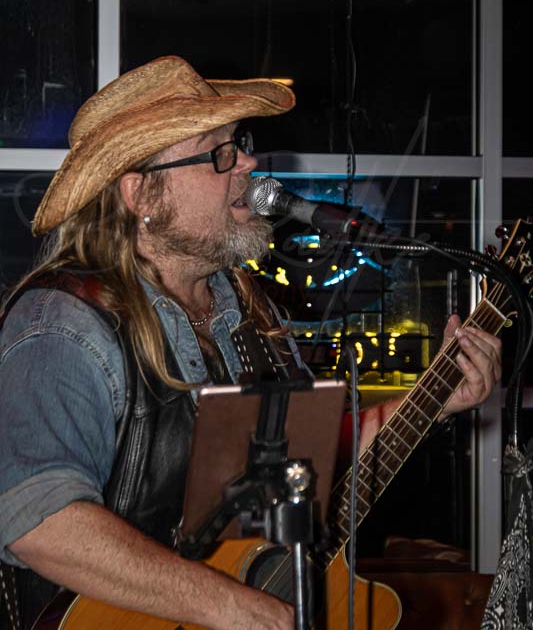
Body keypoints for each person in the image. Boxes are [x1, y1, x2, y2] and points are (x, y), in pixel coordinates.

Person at [0, 56, 501, 630]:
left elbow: (307, 466)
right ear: (142, 195)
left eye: (239, 143)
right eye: (218, 153)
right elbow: (38, 521)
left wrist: (435, 397)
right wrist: (230, 605)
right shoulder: (63, 323)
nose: (247, 162)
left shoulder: (250, 313)